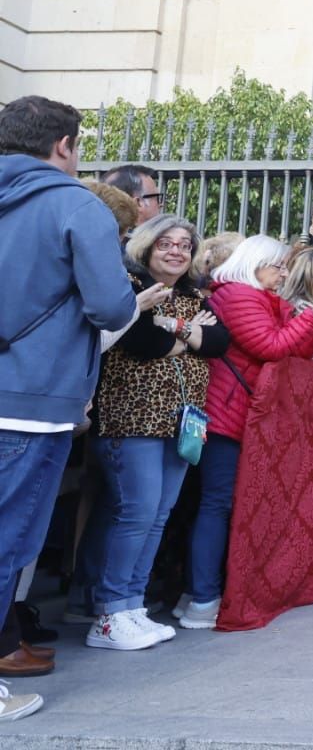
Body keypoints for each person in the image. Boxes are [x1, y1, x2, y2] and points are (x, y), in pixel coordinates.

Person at [0, 97, 138, 719]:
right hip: (33, 400)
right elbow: (112, 306)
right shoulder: (75, 203)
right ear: (63, 145)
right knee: (5, 544)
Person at [176, 235, 313, 631]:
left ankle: (198, 592)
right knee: (217, 504)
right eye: (278, 265)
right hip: (226, 411)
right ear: (254, 262)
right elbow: (271, 346)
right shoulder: (239, 297)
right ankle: (202, 597)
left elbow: (295, 347)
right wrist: (312, 317)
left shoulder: (256, 297)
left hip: (238, 411)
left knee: (218, 504)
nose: (284, 273)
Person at [84, 214, 230, 652]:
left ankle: (132, 604)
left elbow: (220, 341)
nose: (176, 251)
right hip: (133, 419)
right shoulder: (129, 286)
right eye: (166, 243)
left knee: (158, 514)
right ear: (146, 246)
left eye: (185, 245)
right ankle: (108, 613)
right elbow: (141, 341)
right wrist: (190, 334)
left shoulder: (190, 294)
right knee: (135, 512)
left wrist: (176, 328)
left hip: (181, 421)